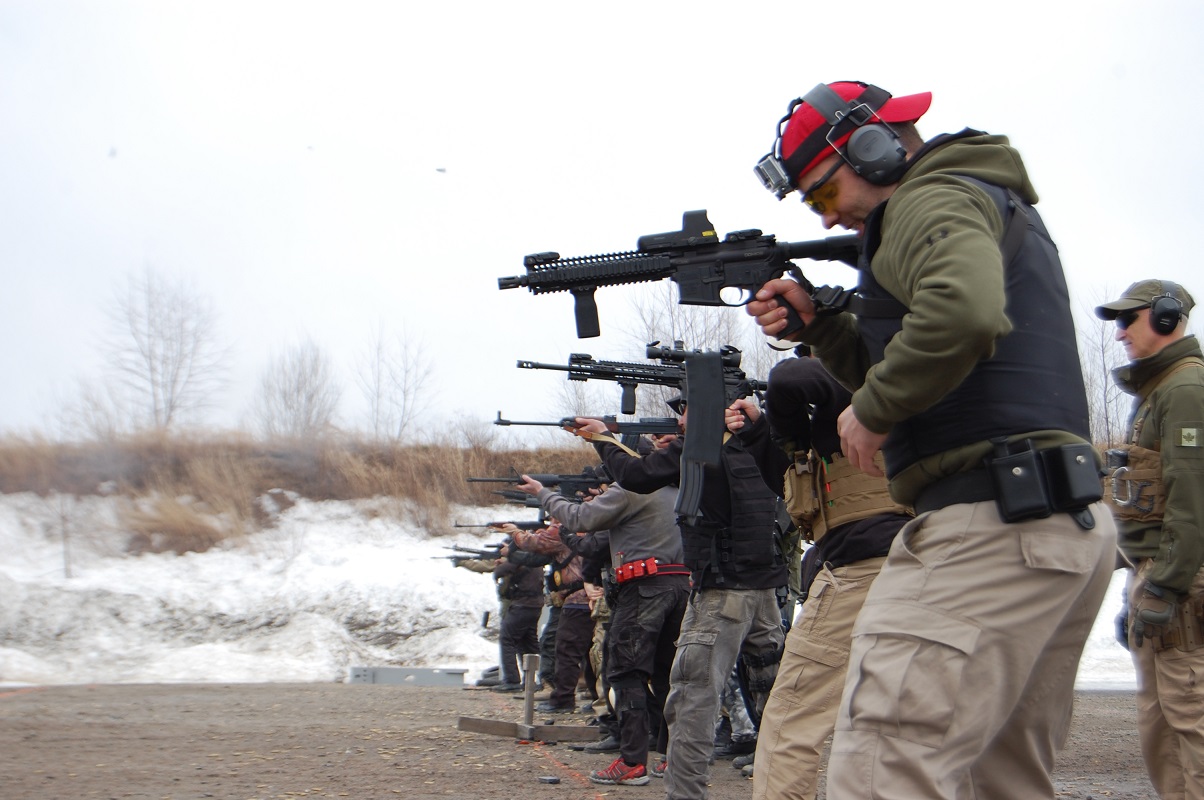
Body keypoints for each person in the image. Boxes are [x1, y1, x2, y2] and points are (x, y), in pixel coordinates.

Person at [745, 80, 1117, 798]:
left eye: (824, 195)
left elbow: (964, 313)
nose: (831, 218)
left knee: (885, 767)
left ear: (874, 149)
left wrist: (875, 408)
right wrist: (821, 326)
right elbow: (939, 350)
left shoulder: (930, 197)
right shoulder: (980, 198)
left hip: (991, 528)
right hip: (1052, 523)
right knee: (1000, 779)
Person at [576, 400, 788, 800]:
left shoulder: (704, 445)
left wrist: (602, 439)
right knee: (774, 697)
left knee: (692, 699)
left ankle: (685, 794)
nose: (679, 419)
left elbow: (636, 475)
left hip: (722, 589)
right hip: (764, 591)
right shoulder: (762, 441)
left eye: (688, 408)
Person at [735, 354, 911, 798]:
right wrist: (767, 433)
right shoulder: (914, 390)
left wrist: (790, 426)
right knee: (895, 720)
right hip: (921, 566)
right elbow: (804, 492)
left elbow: (793, 376)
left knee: (792, 717)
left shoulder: (860, 381)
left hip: (862, 571)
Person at [1096, 280, 1204, 799]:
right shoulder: (1161, 390)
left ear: (1165, 319)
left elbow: (1193, 500)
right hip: (1159, 573)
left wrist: (1165, 586)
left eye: (1127, 320)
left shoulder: (1185, 390)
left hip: (1181, 578)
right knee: (1161, 727)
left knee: (1190, 718)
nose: (1119, 334)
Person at [515, 466, 689, 787]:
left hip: (642, 588)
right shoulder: (676, 491)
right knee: (667, 675)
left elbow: (581, 519)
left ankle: (633, 761)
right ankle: (672, 757)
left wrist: (543, 493)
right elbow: (595, 543)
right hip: (679, 587)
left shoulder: (632, 490)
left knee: (624, 673)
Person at [507, 519, 594, 714]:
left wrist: (515, 533)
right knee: (591, 653)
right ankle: (597, 699)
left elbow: (532, 544)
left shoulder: (563, 530)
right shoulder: (591, 526)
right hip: (592, 598)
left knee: (566, 650)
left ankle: (563, 699)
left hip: (577, 600)